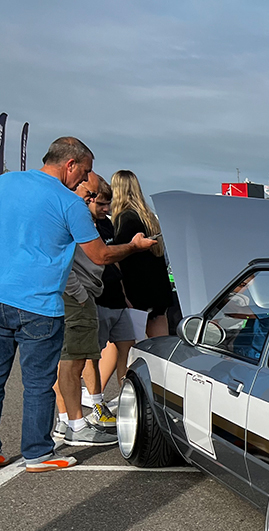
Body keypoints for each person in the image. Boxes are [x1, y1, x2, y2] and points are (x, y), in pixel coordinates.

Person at [0, 137, 155, 471]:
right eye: (83, 173)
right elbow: (99, 254)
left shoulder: (6, 182)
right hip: (40, 304)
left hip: (1, 294)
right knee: (39, 384)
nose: (84, 181)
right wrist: (134, 246)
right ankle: (38, 453)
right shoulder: (67, 202)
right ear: (69, 164)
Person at [50, 171, 118, 447]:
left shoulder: (69, 210)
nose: (94, 203)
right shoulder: (68, 211)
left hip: (81, 295)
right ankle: (73, 424)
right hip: (75, 296)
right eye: (90, 197)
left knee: (75, 359)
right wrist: (79, 295)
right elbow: (63, 258)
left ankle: (68, 421)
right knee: (71, 361)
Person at [111, 169, 177, 337]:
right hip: (158, 288)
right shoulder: (150, 218)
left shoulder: (124, 219)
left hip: (136, 290)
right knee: (160, 344)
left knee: (122, 345)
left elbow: (119, 255)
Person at [89, 176, 137, 397]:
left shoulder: (107, 223)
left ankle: (125, 400)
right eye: (101, 204)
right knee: (89, 355)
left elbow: (114, 258)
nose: (106, 209)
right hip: (95, 298)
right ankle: (94, 400)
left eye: (108, 203)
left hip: (116, 297)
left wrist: (124, 293)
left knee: (127, 350)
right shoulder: (83, 224)